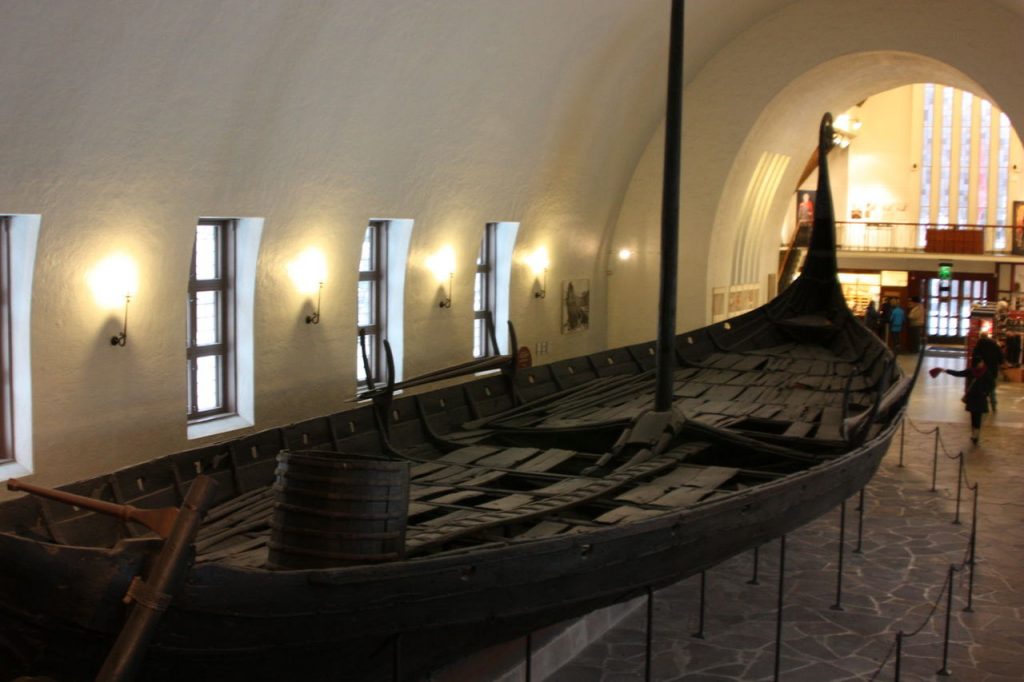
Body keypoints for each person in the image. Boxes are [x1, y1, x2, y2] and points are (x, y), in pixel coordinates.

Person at [930, 359, 992, 445]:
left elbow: (958, 373)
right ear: (977, 364)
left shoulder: (972, 371)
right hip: (979, 398)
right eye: (981, 362)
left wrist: (944, 370)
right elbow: (991, 384)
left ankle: (975, 434)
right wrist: (986, 392)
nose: (983, 363)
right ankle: (975, 434)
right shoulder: (985, 372)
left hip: (974, 398)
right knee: (975, 416)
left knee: (975, 416)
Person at [972, 332, 1003, 412]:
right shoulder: (995, 345)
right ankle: (993, 405)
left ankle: (983, 404)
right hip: (993, 370)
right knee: (992, 388)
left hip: (981, 370)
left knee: (981, 387)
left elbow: (975, 358)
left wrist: (974, 368)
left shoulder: (978, 345)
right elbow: (1000, 357)